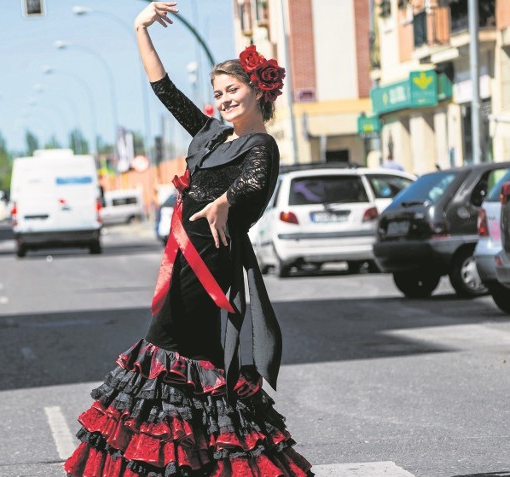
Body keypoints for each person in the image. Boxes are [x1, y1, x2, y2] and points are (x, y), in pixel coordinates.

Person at [64, 2, 314, 476]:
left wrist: (224, 202)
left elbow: (254, 185)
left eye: (232, 89)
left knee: (172, 352)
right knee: (187, 357)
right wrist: (140, 30)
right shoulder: (211, 135)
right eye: (218, 93)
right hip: (184, 259)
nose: (224, 100)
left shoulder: (261, 145)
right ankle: (197, 463)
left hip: (213, 268)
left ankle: (187, 463)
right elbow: (165, 91)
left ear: (259, 91)